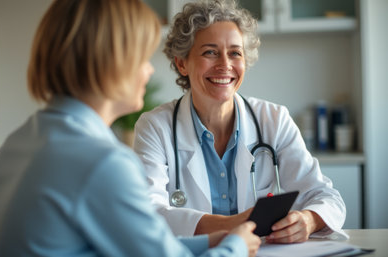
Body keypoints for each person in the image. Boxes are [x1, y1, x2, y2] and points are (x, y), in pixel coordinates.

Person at [0, 0, 261, 256]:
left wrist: (213, 241)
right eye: (141, 58)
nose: (149, 71)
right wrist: (235, 247)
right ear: (109, 61)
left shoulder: (18, 143)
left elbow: (143, 246)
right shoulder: (101, 163)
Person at [133, 0, 346, 243]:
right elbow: (146, 211)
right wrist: (234, 226)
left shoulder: (273, 120)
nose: (225, 65)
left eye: (235, 53)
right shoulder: (155, 127)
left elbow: (327, 197)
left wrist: (308, 220)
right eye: (210, 52)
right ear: (182, 63)